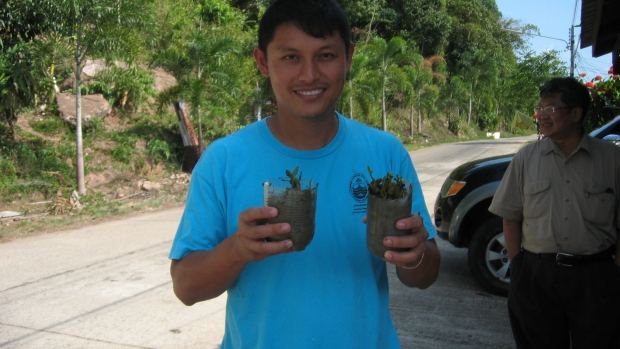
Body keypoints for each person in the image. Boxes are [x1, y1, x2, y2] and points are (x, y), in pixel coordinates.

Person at [168, 0, 440, 348]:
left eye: (326, 55)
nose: (309, 75)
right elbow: (186, 288)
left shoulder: (385, 153)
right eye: (291, 57)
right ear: (263, 62)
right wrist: (238, 248)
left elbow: (425, 276)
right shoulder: (223, 160)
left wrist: (415, 253)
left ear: (348, 58)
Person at [489, 77, 620, 349]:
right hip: (537, 277)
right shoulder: (526, 159)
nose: (542, 116)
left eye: (551, 108)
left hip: (596, 279)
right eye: (540, 108)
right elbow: (510, 216)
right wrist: (519, 269)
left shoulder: (612, 160)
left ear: (576, 114)